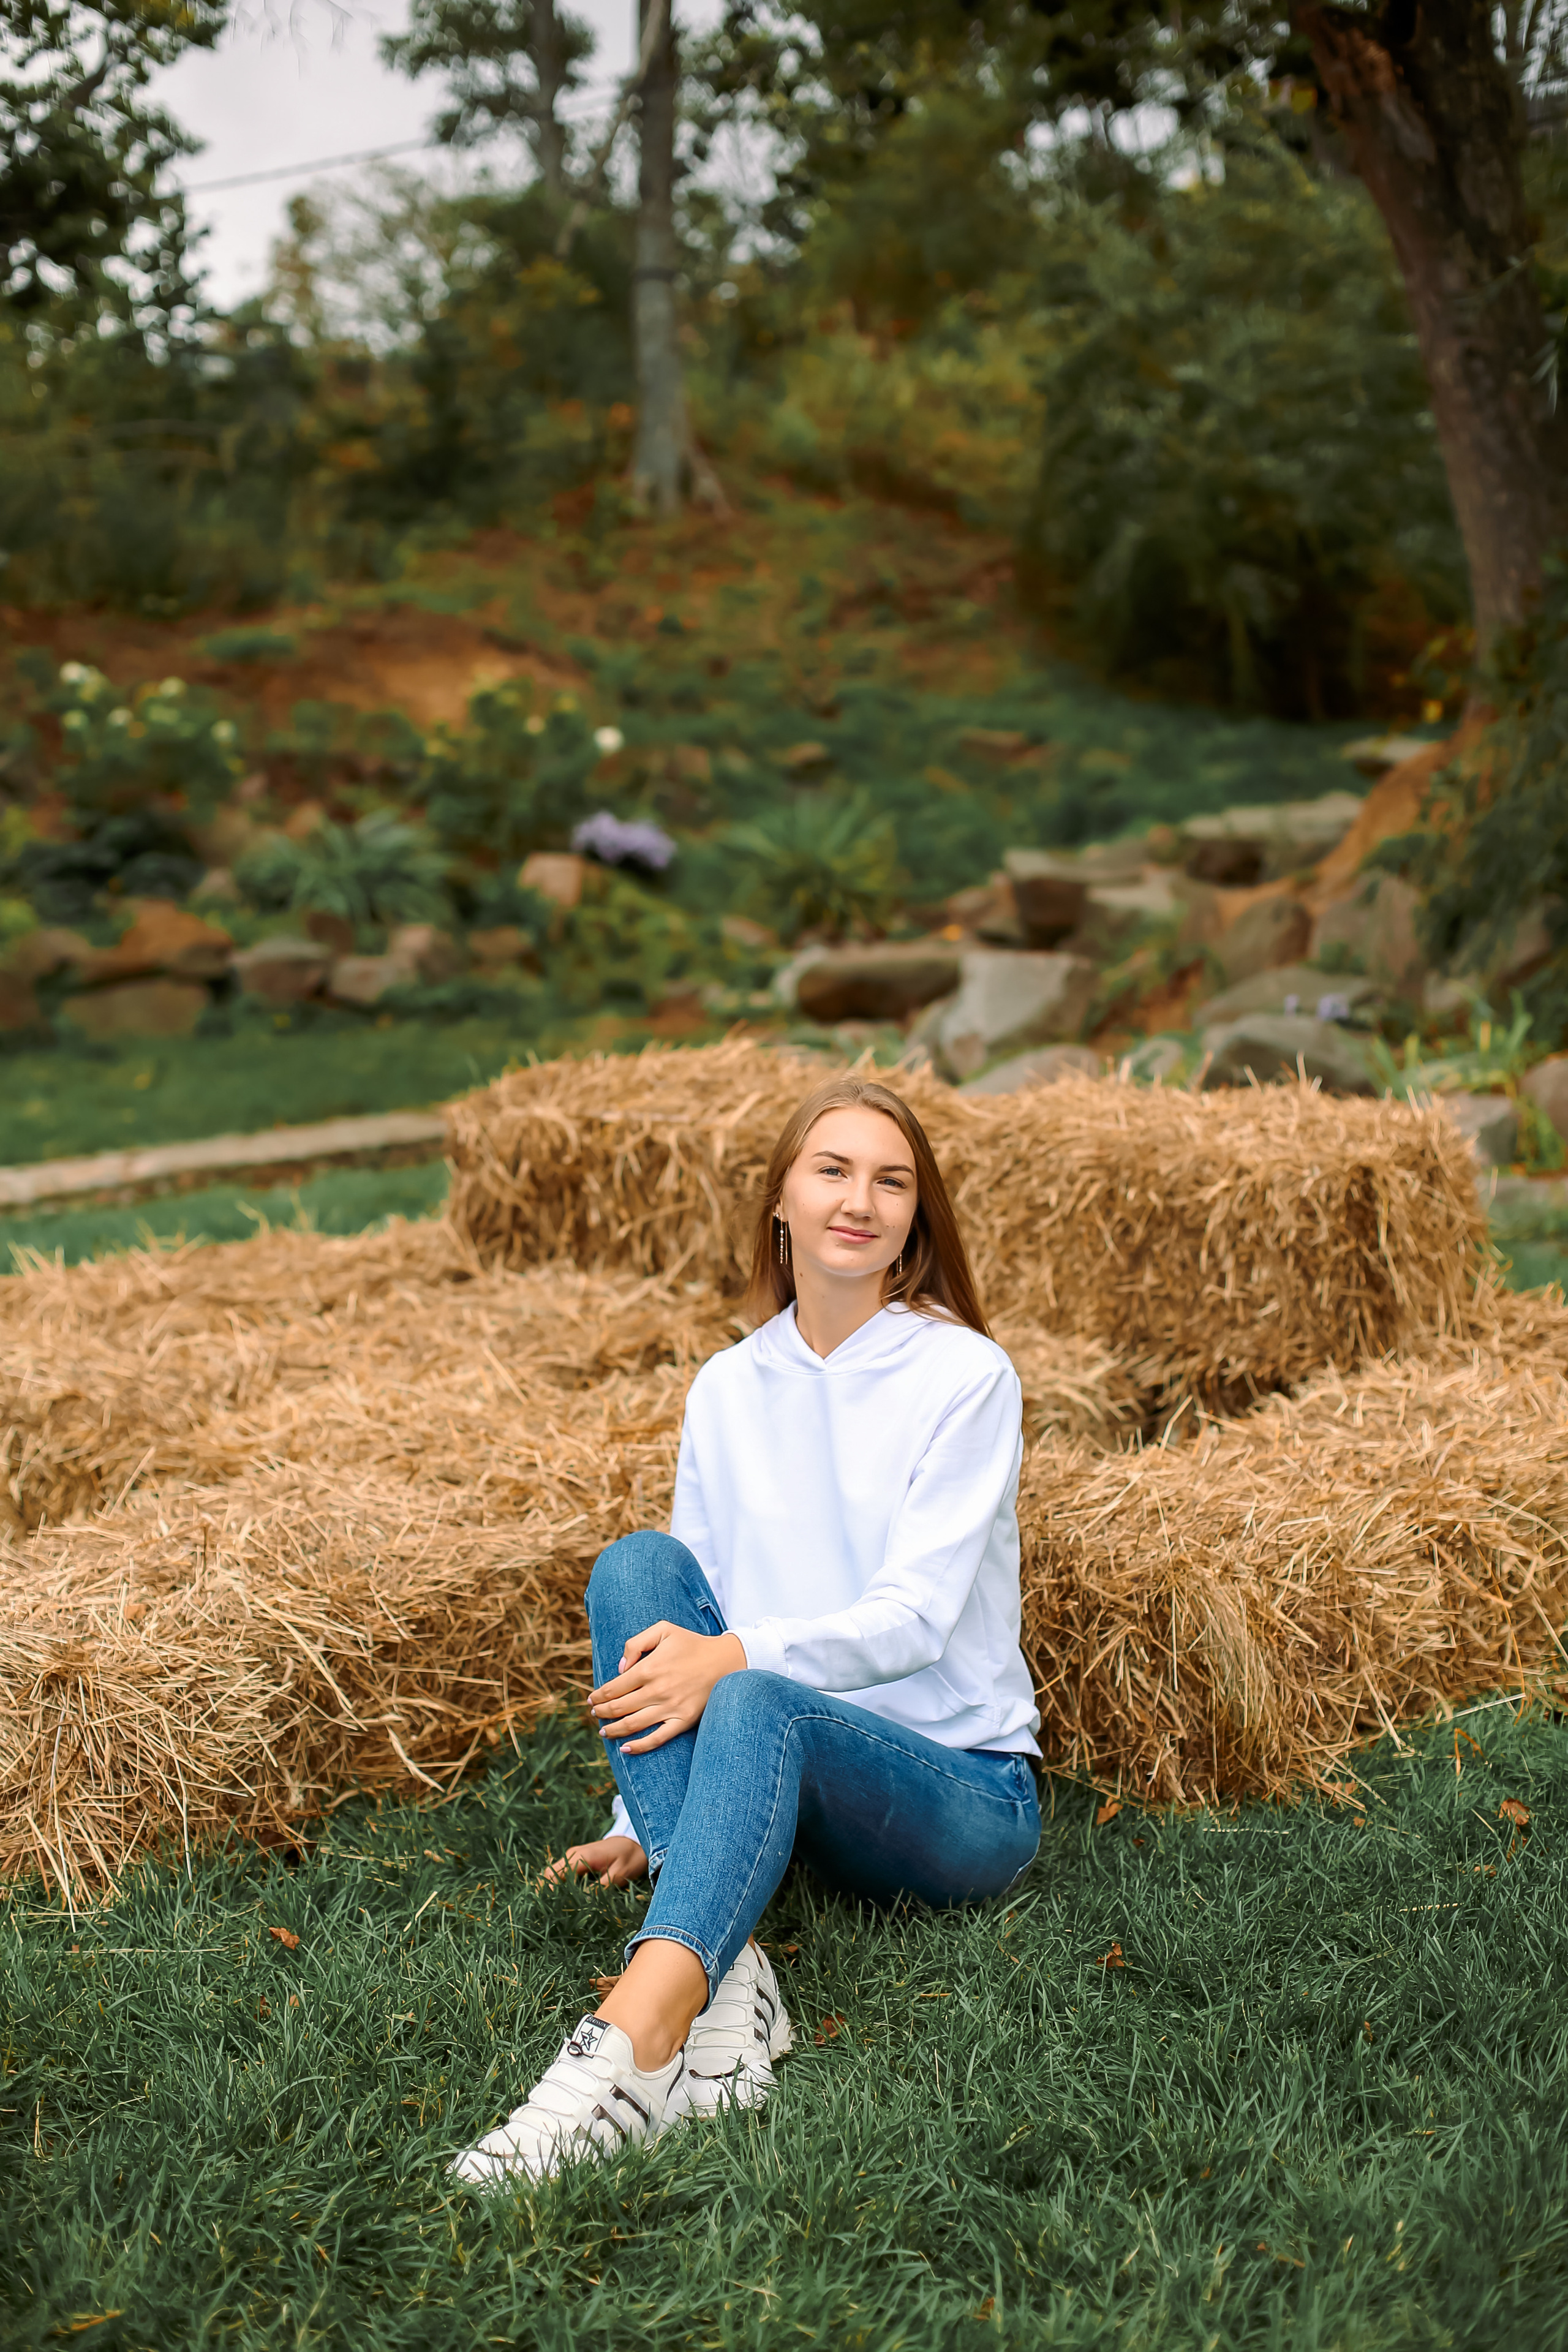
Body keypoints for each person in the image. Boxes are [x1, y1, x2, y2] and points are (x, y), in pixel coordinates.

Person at [451, 1075, 1042, 2188]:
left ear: (918, 1215)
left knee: (756, 1686)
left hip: (957, 1797)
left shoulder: (966, 1375)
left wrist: (734, 1659)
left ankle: (631, 2039)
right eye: (832, 1169)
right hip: (781, 1775)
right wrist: (640, 1805)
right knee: (636, 1567)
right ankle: (730, 1975)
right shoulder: (729, 1383)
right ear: (780, 1196)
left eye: (891, 1179)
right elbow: (688, 1606)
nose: (858, 1200)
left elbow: (913, 1623)